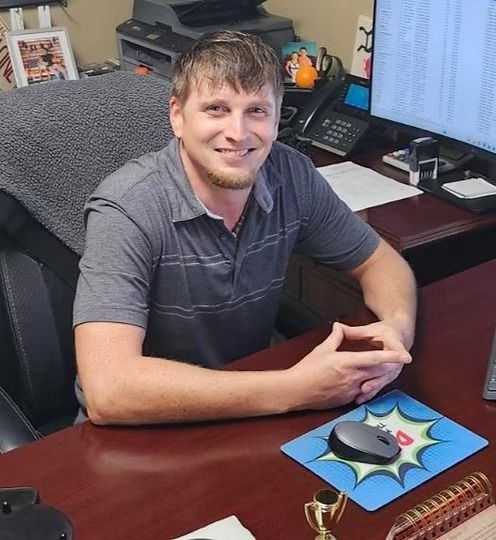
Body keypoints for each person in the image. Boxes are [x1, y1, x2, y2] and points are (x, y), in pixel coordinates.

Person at [73, 30, 417, 426]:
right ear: (177, 117)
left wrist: (397, 335)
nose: (238, 133)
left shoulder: (291, 175)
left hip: (248, 404)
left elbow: (381, 264)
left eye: (256, 110)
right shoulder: (127, 208)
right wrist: (293, 389)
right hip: (140, 427)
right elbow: (109, 390)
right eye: (216, 109)